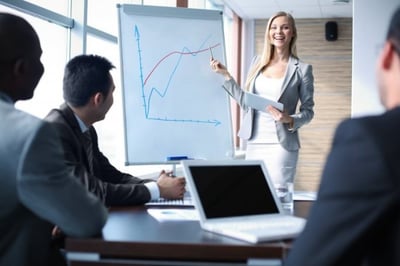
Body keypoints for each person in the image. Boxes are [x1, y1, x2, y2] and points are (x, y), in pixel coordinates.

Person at [284, 7, 400, 266]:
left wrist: (290, 119)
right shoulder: (256, 67)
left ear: (387, 54)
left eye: (284, 27)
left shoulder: (373, 141)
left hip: (286, 142)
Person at [0, 13, 108, 266]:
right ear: (21, 68)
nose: (42, 68)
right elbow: (88, 219)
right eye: (38, 58)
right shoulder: (30, 134)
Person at [45, 54, 186, 206]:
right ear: (98, 99)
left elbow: (110, 175)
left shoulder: (86, 128)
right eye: (112, 92)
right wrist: (157, 189)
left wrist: (157, 184)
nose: (113, 98)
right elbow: (90, 192)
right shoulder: (54, 131)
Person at [210, 11, 314, 185]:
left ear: (293, 32)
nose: (278, 32)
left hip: (282, 146)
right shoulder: (257, 63)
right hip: (255, 141)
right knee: (255, 193)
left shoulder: (302, 69)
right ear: (268, 33)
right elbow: (245, 101)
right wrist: (226, 75)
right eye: (274, 27)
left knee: (279, 195)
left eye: (285, 27)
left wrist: (289, 119)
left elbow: (308, 111)